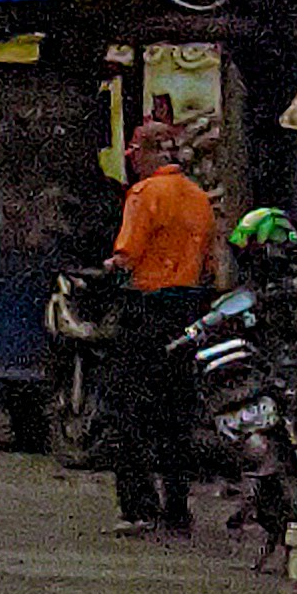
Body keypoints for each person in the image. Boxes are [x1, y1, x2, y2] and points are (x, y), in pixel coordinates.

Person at [103, 108, 224, 536]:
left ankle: (138, 508)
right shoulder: (198, 198)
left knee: (130, 412)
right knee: (177, 415)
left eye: (135, 149)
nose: (132, 156)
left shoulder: (145, 194)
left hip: (147, 310)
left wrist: (108, 266)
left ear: (151, 152)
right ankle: (177, 510)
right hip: (189, 311)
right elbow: (210, 265)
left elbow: (126, 257)